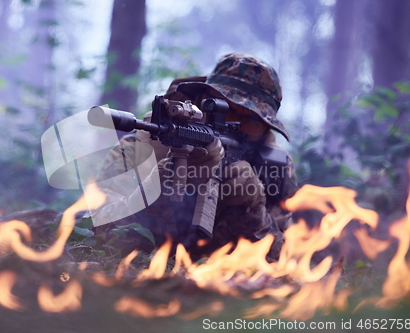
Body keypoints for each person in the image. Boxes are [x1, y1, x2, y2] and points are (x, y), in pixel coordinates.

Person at [92, 53, 298, 262]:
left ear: (265, 128)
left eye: (250, 119)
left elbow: (287, 258)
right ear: (199, 100)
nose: (232, 123)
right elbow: (95, 233)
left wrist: (252, 210)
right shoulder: (140, 148)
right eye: (221, 108)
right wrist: (151, 193)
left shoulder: (275, 167)